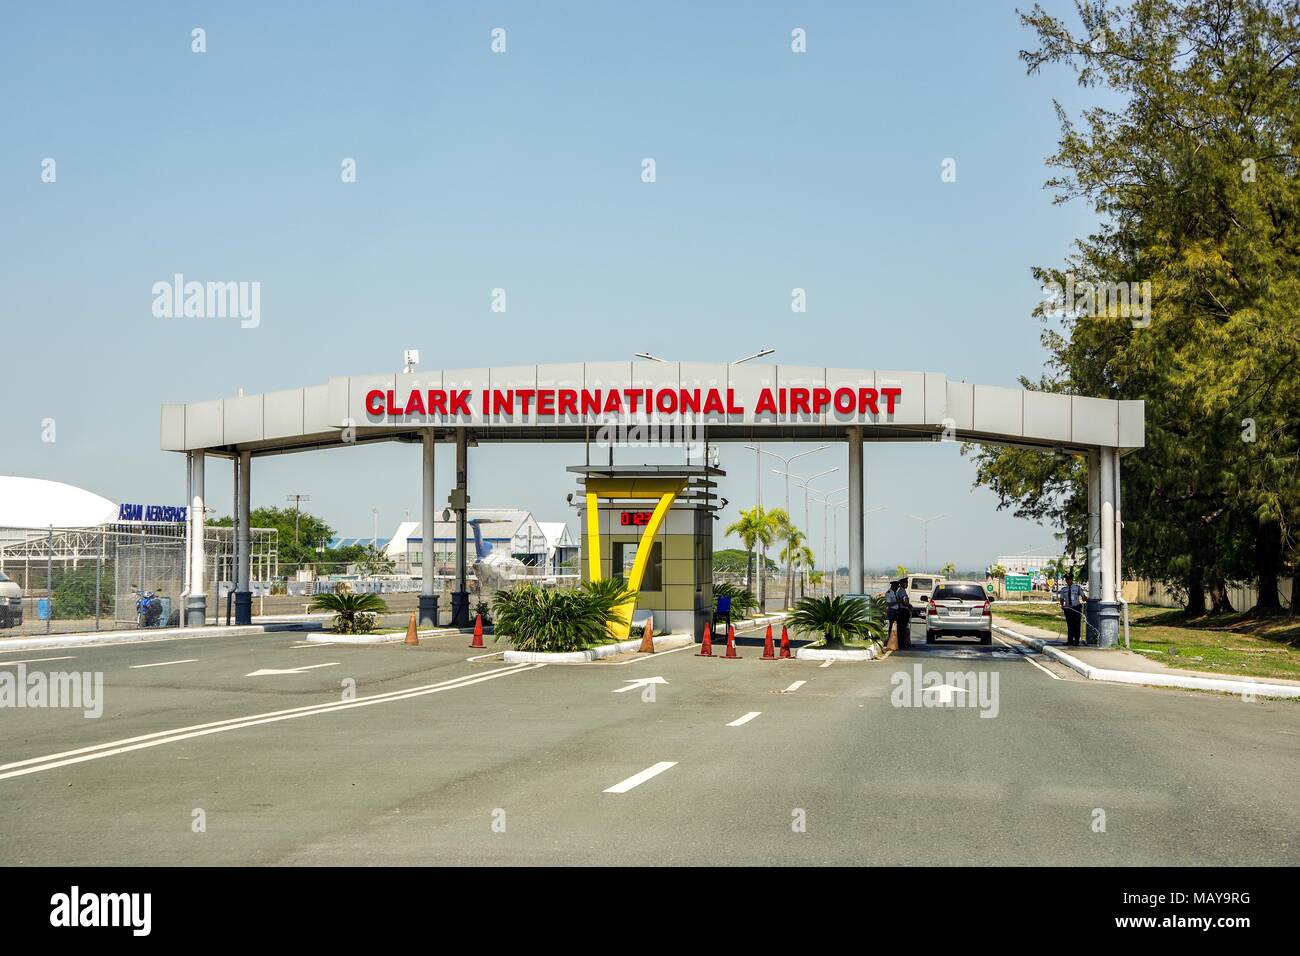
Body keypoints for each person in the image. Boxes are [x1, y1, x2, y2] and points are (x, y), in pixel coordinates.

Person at [1060, 572, 1085, 646]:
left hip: (1076, 609)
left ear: (1072, 579)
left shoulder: (1077, 588)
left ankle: (1076, 641)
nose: (1068, 581)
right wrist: (1062, 605)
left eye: (1069, 579)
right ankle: (1070, 641)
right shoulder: (1064, 589)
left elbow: (1083, 596)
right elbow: (1061, 598)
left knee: (1077, 625)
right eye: (1067, 579)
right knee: (1070, 625)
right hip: (1068, 609)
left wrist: (1085, 598)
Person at [884, 580, 899, 650]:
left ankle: (896, 640)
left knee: (897, 626)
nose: (897, 588)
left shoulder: (896, 592)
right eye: (896, 587)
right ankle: (890, 640)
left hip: (897, 610)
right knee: (891, 625)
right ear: (893, 586)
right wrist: (897, 602)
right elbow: (888, 604)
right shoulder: (889, 593)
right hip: (892, 610)